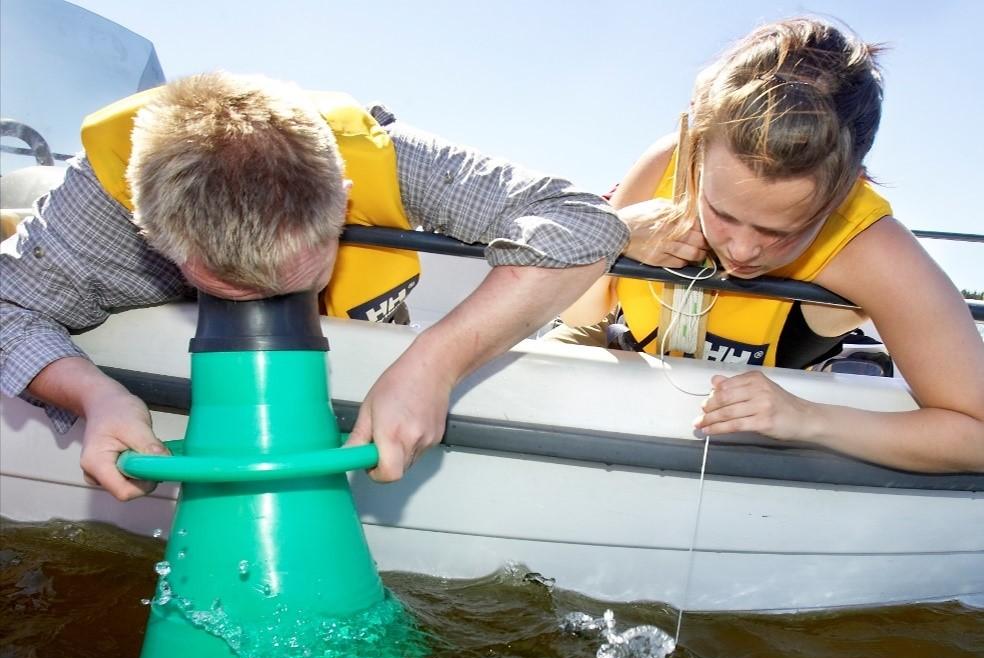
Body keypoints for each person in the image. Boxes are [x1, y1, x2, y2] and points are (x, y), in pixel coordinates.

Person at [0, 72, 628, 499]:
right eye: (231, 286)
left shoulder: (377, 153)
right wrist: (94, 398)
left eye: (293, 277)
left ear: (343, 202)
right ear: (148, 232)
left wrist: (434, 363)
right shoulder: (97, 206)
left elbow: (584, 223)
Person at [559, 17, 984, 473]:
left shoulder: (872, 248)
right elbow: (581, 314)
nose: (741, 250)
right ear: (695, 148)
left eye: (781, 231)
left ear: (845, 189)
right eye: (722, 213)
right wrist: (614, 234)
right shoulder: (666, 164)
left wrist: (808, 419)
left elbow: (976, 434)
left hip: (775, 405)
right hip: (623, 351)